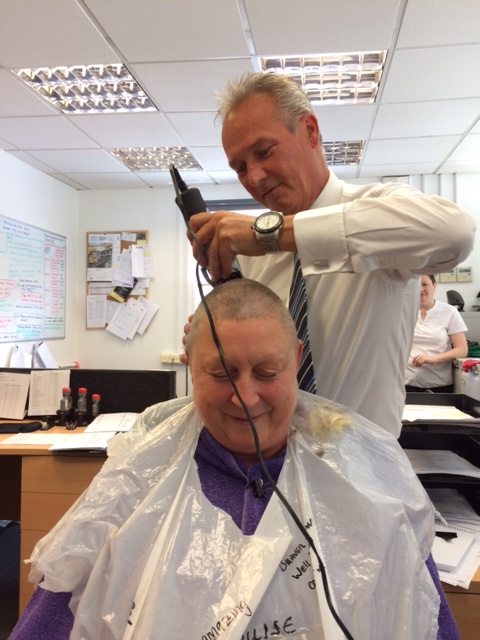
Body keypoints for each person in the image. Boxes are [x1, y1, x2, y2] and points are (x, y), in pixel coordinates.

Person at [10, 279, 458, 639]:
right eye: (221, 374)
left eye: (267, 373)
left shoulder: (366, 485)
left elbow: (421, 612)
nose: (245, 398)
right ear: (189, 366)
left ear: (295, 360)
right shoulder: (136, 486)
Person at [185, 71, 476, 437]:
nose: (254, 178)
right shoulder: (252, 257)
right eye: (240, 167)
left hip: (362, 469)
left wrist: (271, 235)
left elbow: (454, 233)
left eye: (263, 152)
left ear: (310, 131)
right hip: (270, 469)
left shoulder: (377, 208)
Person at [405, 275, 468, 392]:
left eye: (425, 284)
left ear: (434, 286)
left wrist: (433, 358)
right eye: (416, 286)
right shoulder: (403, 311)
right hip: (406, 384)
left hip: (439, 384)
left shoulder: (449, 312)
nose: (420, 289)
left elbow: (462, 349)